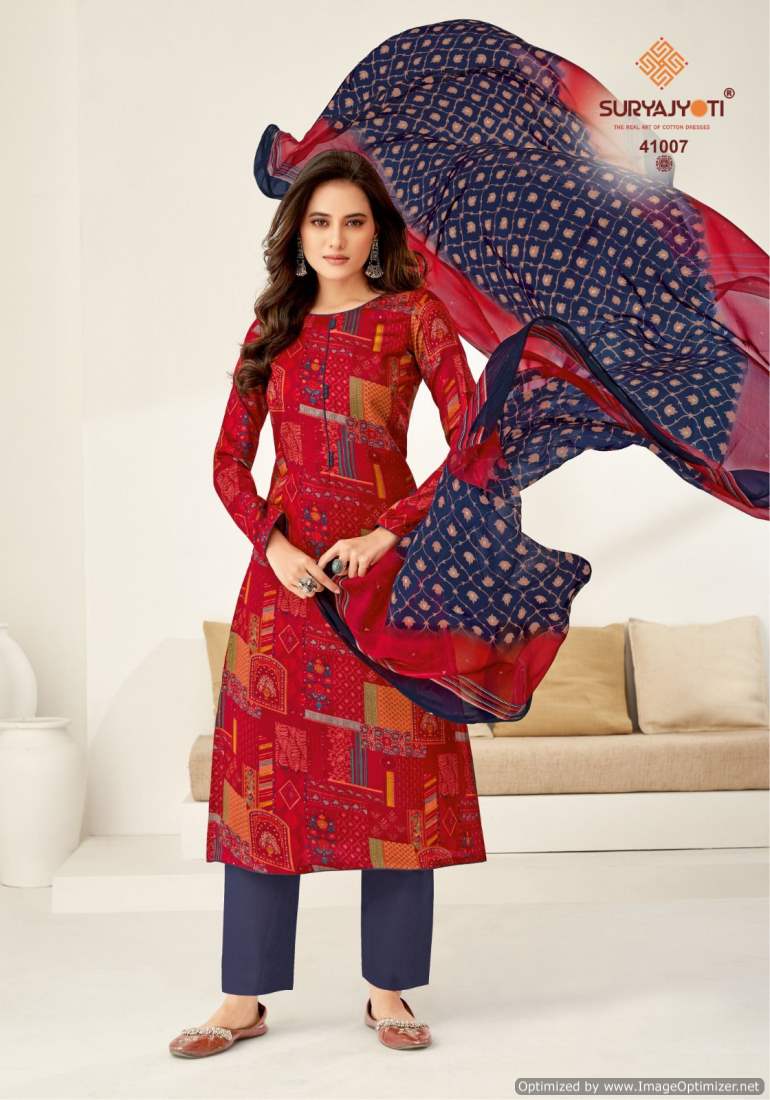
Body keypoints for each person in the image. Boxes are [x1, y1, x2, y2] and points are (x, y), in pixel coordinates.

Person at [169, 150, 486, 1058]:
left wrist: (386, 535)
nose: (336, 239)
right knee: (264, 789)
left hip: (389, 592)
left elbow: (475, 443)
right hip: (284, 596)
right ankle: (242, 999)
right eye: (319, 222)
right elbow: (228, 461)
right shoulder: (271, 327)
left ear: (376, 231)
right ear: (296, 233)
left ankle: (388, 990)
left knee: (401, 782)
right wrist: (275, 547)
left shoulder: (415, 317)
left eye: (353, 221)